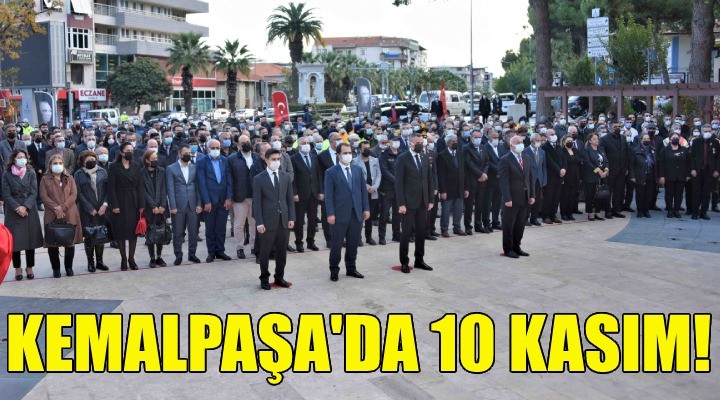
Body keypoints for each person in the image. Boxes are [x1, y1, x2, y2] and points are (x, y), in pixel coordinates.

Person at [324, 142, 370, 281]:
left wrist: (366, 208)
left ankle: (351, 268)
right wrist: (330, 213)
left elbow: (363, 191)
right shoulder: (331, 172)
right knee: (336, 244)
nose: (348, 155)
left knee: (353, 243)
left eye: (350, 152)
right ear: (338, 155)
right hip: (339, 214)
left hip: (356, 213)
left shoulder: (357, 170)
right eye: (345, 153)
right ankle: (334, 270)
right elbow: (329, 195)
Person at [253, 149, 295, 290]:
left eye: (278, 159)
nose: (276, 162)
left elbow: (290, 199)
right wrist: (259, 222)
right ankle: (264, 278)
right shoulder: (259, 179)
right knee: (265, 252)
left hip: (283, 220)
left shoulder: (285, 176)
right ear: (266, 160)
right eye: (273, 159)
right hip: (267, 221)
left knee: (282, 251)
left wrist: (291, 218)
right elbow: (257, 203)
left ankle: (279, 277)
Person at [395, 134, 435, 273]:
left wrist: (430, 200)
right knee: (406, 233)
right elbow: (399, 183)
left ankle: (419, 260)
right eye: (417, 143)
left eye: (422, 142)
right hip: (408, 203)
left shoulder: (424, 157)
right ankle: (404, 262)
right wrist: (401, 203)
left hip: (423, 202)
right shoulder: (403, 158)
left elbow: (429, 179)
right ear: (410, 144)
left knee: (421, 232)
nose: (420, 145)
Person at [39, 154, 83, 277]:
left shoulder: (70, 178)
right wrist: (56, 208)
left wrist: (62, 208)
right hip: (51, 213)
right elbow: (44, 197)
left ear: (63, 165)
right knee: (52, 242)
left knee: (69, 241)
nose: (58, 165)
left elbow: (74, 194)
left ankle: (68, 267)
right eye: (55, 163)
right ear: (50, 165)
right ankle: (56, 269)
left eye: (60, 163)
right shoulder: (45, 179)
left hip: (69, 212)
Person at [1, 149, 43, 280]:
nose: (22, 159)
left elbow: (33, 191)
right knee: (15, 241)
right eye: (19, 157)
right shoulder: (7, 173)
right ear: (14, 159)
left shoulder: (31, 172)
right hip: (13, 210)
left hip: (29, 209)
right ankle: (17, 268)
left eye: (24, 157)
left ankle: (29, 267)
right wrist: (17, 207)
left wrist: (25, 206)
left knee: (31, 240)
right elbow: (6, 194)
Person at [107, 142, 145, 271]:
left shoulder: (136, 166)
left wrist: (141, 204)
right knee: (121, 232)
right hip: (120, 201)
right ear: (121, 153)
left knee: (133, 232)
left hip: (134, 202)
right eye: (128, 150)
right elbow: (111, 187)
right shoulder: (114, 167)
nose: (130, 152)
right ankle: (123, 258)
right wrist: (114, 205)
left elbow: (140, 186)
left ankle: (131, 259)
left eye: (132, 150)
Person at [196, 139, 233, 262]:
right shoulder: (202, 162)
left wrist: (229, 198)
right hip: (210, 201)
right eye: (213, 148)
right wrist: (206, 201)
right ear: (207, 149)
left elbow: (229, 180)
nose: (216, 150)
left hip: (223, 200)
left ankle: (220, 251)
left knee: (221, 227)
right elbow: (201, 183)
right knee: (210, 228)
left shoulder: (225, 160)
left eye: (218, 148)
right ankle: (211, 252)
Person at [499, 136, 535, 259]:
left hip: (524, 197)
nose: (521, 144)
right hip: (512, 198)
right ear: (511, 146)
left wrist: (532, 195)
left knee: (520, 224)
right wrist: (507, 198)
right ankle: (508, 249)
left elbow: (530, 178)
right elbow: (504, 181)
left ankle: (517, 247)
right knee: (509, 225)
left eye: (521, 142)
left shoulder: (527, 158)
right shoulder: (505, 159)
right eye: (518, 143)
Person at [166, 144, 203, 265]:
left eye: (189, 153)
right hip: (178, 205)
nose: (188, 155)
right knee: (177, 232)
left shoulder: (194, 167)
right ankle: (178, 255)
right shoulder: (171, 168)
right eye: (185, 153)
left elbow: (198, 187)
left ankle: (192, 254)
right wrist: (172, 206)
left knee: (193, 231)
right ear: (179, 154)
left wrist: (199, 203)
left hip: (192, 204)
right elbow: (170, 188)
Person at [74, 151, 110, 272]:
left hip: (101, 210)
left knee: (100, 235)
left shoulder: (103, 171)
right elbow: (78, 193)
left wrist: (105, 205)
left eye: (93, 159)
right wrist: (90, 208)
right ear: (83, 162)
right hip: (87, 211)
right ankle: (90, 262)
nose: (91, 161)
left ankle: (100, 261)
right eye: (88, 160)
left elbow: (108, 190)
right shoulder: (78, 174)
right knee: (89, 237)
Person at [228, 136, 260, 259]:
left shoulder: (256, 157)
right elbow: (229, 179)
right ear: (238, 145)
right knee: (239, 224)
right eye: (242, 143)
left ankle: (253, 246)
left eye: (247, 142)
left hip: (254, 196)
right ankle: (239, 248)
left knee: (254, 224)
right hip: (239, 196)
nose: (245, 144)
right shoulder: (232, 159)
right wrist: (230, 196)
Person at [290, 136, 323, 253]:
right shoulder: (294, 159)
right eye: (304, 143)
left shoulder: (314, 158)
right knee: (299, 220)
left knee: (312, 219)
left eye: (308, 143)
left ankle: (311, 241)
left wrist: (320, 191)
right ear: (299, 145)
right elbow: (292, 178)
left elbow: (318, 175)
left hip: (313, 194)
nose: (306, 145)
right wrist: (294, 193)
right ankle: (299, 242)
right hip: (300, 195)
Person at [141, 150, 169, 267]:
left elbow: (164, 189)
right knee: (151, 233)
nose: (155, 161)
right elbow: (144, 191)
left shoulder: (161, 171)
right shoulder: (141, 173)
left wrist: (163, 205)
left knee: (160, 232)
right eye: (153, 159)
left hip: (161, 208)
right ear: (147, 160)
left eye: (156, 158)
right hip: (149, 208)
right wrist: (153, 206)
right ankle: (152, 258)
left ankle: (159, 257)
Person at [437, 133, 467, 236]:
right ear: (448, 143)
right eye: (453, 141)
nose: (455, 143)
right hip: (448, 188)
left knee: (458, 210)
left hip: (460, 187)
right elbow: (441, 175)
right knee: (446, 210)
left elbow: (464, 172)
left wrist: (466, 188)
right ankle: (444, 229)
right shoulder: (442, 155)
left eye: (456, 141)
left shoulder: (460, 154)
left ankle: (457, 227)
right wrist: (443, 191)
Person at [353, 141, 381, 245]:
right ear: (360, 149)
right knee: (360, 216)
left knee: (370, 215)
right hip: (361, 192)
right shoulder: (355, 161)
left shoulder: (375, 160)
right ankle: (358, 237)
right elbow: (356, 178)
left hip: (373, 192)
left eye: (369, 148)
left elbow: (379, 175)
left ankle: (368, 237)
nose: (367, 150)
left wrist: (374, 187)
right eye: (365, 148)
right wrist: (368, 187)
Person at [690, 125, 720, 220]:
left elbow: (718, 157)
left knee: (706, 193)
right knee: (696, 192)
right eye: (706, 131)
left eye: (709, 131)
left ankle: (703, 212)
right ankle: (695, 212)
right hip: (698, 170)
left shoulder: (715, 142)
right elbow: (691, 156)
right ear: (702, 132)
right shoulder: (696, 142)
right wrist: (693, 169)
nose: (708, 133)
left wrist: (717, 170)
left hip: (709, 171)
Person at [600, 124, 629, 219]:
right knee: (608, 191)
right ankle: (607, 210)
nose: (617, 128)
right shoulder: (604, 139)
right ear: (610, 128)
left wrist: (626, 168)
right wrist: (606, 168)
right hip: (610, 169)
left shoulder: (623, 138)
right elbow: (602, 155)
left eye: (619, 127)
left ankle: (616, 210)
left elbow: (626, 154)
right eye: (615, 127)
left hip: (621, 169)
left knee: (618, 191)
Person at [658, 133, 690, 218]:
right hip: (669, 176)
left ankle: (676, 210)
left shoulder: (684, 149)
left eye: (677, 138)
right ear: (670, 139)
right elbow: (661, 163)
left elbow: (688, 163)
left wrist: (688, 175)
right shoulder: (664, 150)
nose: (676, 139)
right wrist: (661, 176)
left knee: (679, 194)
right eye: (674, 138)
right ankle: (669, 210)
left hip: (681, 176)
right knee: (669, 194)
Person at [463, 130, 489, 234]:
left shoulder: (483, 147)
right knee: (469, 205)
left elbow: (487, 162)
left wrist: (484, 173)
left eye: (480, 137)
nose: (478, 139)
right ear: (471, 137)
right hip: (471, 180)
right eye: (476, 137)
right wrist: (480, 174)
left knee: (479, 204)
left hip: (482, 180)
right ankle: (468, 226)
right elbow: (469, 164)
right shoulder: (466, 148)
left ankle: (478, 225)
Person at [378, 135, 402, 244]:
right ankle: (381, 236)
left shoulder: (401, 153)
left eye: (398, 140)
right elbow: (384, 170)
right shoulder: (384, 154)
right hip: (387, 188)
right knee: (384, 213)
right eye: (394, 140)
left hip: (399, 189)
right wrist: (396, 180)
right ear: (390, 141)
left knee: (398, 213)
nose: (397, 142)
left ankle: (396, 234)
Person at [583, 133, 610, 221]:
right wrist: (598, 171)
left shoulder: (601, 149)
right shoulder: (587, 150)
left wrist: (606, 170)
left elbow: (606, 161)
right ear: (590, 141)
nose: (597, 140)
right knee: (590, 194)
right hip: (591, 176)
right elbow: (588, 163)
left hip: (602, 176)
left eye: (597, 138)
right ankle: (590, 212)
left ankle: (597, 212)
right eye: (594, 139)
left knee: (599, 195)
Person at [541, 129, 566, 224]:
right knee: (548, 197)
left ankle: (553, 215)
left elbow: (564, 159)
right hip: (550, 176)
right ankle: (546, 216)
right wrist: (559, 170)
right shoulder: (545, 147)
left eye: (555, 134)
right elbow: (549, 161)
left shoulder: (558, 146)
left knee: (556, 197)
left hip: (559, 176)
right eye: (551, 134)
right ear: (547, 136)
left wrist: (564, 169)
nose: (554, 135)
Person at [523, 133, 546, 226]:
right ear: (532, 141)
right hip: (529, 179)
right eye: (538, 140)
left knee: (537, 200)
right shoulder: (525, 151)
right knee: (529, 199)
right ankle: (525, 219)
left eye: (540, 140)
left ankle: (534, 218)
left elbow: (543, 167)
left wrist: (544, 179)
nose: (540, 142)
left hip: (538, 179)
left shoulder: (542, 151)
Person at [560, 135, 581, 221]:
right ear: (564, 142)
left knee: (572, 196)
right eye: (568, 141)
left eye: (571, 141)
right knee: (565, 196)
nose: (570, 143)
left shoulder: (576, 150)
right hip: (566, 177)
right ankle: (563, 213)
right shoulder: (562, 151)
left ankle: (570, 213)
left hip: (575, 177)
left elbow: (579, 162)